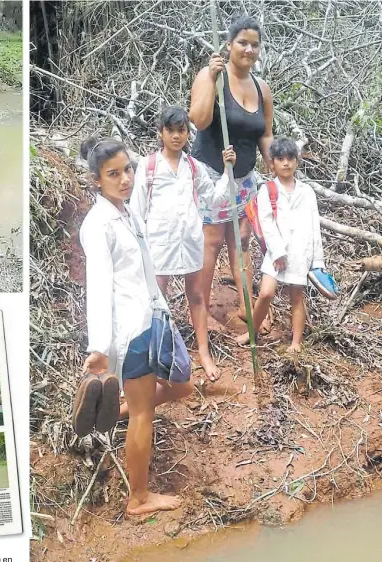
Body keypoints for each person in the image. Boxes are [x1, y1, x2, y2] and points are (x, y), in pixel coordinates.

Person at [79, 136, 194, 516]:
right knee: (146, 412)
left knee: (183, 385)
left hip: (151, 317)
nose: (125, 179)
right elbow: (97, 287)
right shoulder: (98, 225)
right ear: (97, 179)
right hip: (129, 330)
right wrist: (99, 347)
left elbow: (144, 271)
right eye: (114, 174)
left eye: (127, 169)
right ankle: (139, 498)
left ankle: (124, 405)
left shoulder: (126, 211)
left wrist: (162, 310)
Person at [130, 106, 236, 381]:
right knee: (157, 300)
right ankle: (155, 357)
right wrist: (137, 247)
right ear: (161, 133)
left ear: (188, 134)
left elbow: (213, 199)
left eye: (181, 131)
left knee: (197, 296)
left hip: (189, 240)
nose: (176, 136)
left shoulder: (193, 166)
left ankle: (203, 352)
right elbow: (137, 210)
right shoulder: (148, 165)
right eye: (171, 131)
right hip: (158, 242)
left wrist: (227, 171)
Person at [189, 15, 274, 332]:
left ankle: (246, 306)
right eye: (242, 43)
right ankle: (200, 308)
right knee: (211, 240)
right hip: (211, 171)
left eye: (255, 44)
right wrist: (211, 79)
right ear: (228, 45)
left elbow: (264, 134)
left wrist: (275, 166)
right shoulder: (211, 75)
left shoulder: (261, 88)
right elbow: (197, 120)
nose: (249, 50)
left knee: (241, 240)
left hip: (244, 176)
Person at [236, 137, 325, 352]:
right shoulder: (268, 190)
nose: (286, 163)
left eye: (290, 158)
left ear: (297, 161)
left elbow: (315, 227)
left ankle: (295, 343)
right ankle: (252, 332)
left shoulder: (307, 192)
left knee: (296, 296)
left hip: (300, 252)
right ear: (272, 163)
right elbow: (266, 222)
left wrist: (318, 261)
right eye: (280, 159)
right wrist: (277, 253)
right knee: (266, 292)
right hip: (277, 254)